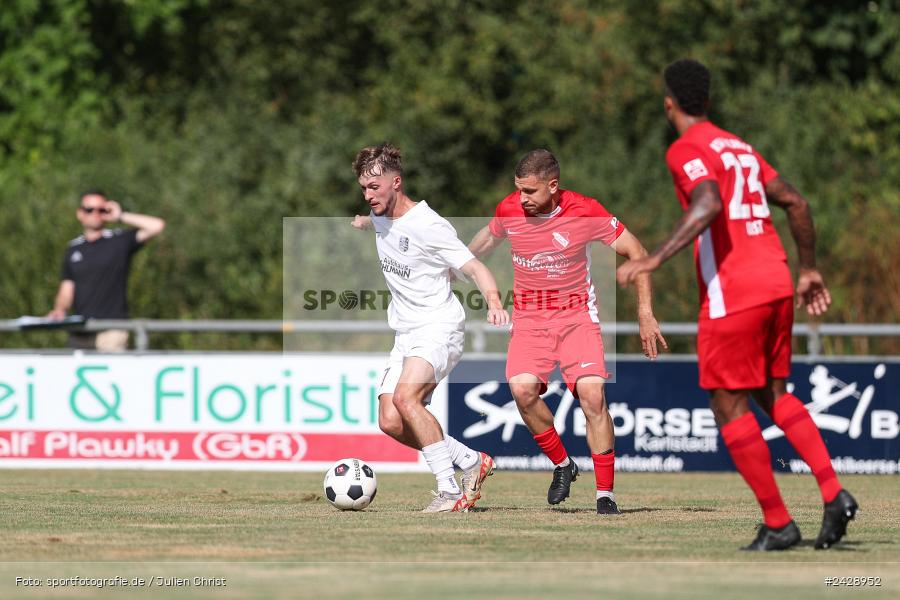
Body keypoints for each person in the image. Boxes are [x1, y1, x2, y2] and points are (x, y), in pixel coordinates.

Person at [617, 59, 857, 550]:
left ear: (670, 104)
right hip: (777, 279)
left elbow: (707, 203)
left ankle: (778, 523)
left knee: (727, 402)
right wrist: (809, 268)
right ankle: (833, 495)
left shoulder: (686, 147)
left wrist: (655, 259)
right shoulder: (740, 147)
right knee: (773, 394)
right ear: (707, 101)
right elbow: (797, 202)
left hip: (736, 291)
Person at [467, 149, 667, 514]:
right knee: (522, 390)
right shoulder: (509, 209)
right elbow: (481, 243)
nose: (521, 199)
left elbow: (638, 253)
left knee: (592, 396)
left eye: (530, 191)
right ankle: (563, 464)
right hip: (529, 320)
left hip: (577, 318)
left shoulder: (586, 211)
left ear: (553, 186)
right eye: (519, 190)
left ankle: (605, 494)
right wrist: (453, 264)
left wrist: (645, 313)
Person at [351, 143, 510, 513]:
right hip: (406, 334)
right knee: (390, 420)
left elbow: (474, 268)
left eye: (375, 187)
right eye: (363, 188)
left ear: (397, 182)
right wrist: (361, 222)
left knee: (408, 400)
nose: (368, 195)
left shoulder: (430, 225)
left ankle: (450, 491)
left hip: (439, 326)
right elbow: (372, 221)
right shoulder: (379, 216)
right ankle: (471, 461)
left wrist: (495, 303)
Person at [47, 189, 166, 351]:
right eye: (89, 209)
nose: (95, 214)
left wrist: (121, 216)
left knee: (111, 376)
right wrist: (59, 310)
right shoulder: (73, 249)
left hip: (112, 329)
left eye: (101, 209)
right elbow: (67, 288)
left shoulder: (119, 241)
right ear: (80, 213)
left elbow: (156, 226)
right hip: (81, 330)